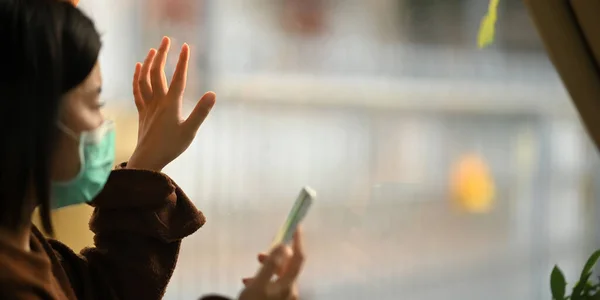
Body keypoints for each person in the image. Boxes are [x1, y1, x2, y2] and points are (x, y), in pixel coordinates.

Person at [0, 0, 305, 299]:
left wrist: (147, 163)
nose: (104, 123)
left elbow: (107, 289)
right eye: (95, 103)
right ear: (31, 117)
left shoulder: (21, 243)